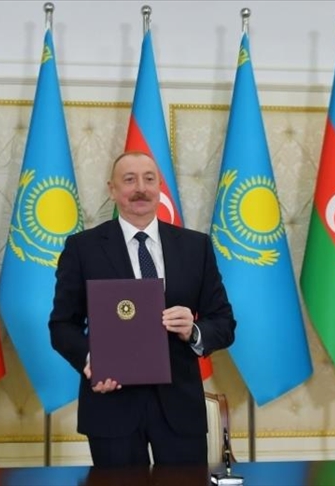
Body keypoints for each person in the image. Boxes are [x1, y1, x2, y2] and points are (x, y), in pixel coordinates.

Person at [49, 151, 236, 467]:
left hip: (180, 408)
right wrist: (91, 361)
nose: (140, 188)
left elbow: (224, 322)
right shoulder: (83, 248)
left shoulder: (196, 247)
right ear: (112, 189)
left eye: (149, 179)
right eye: (129, 179)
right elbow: (62, 325)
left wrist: (193, 330)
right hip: (111, 406)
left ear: (160, 187)